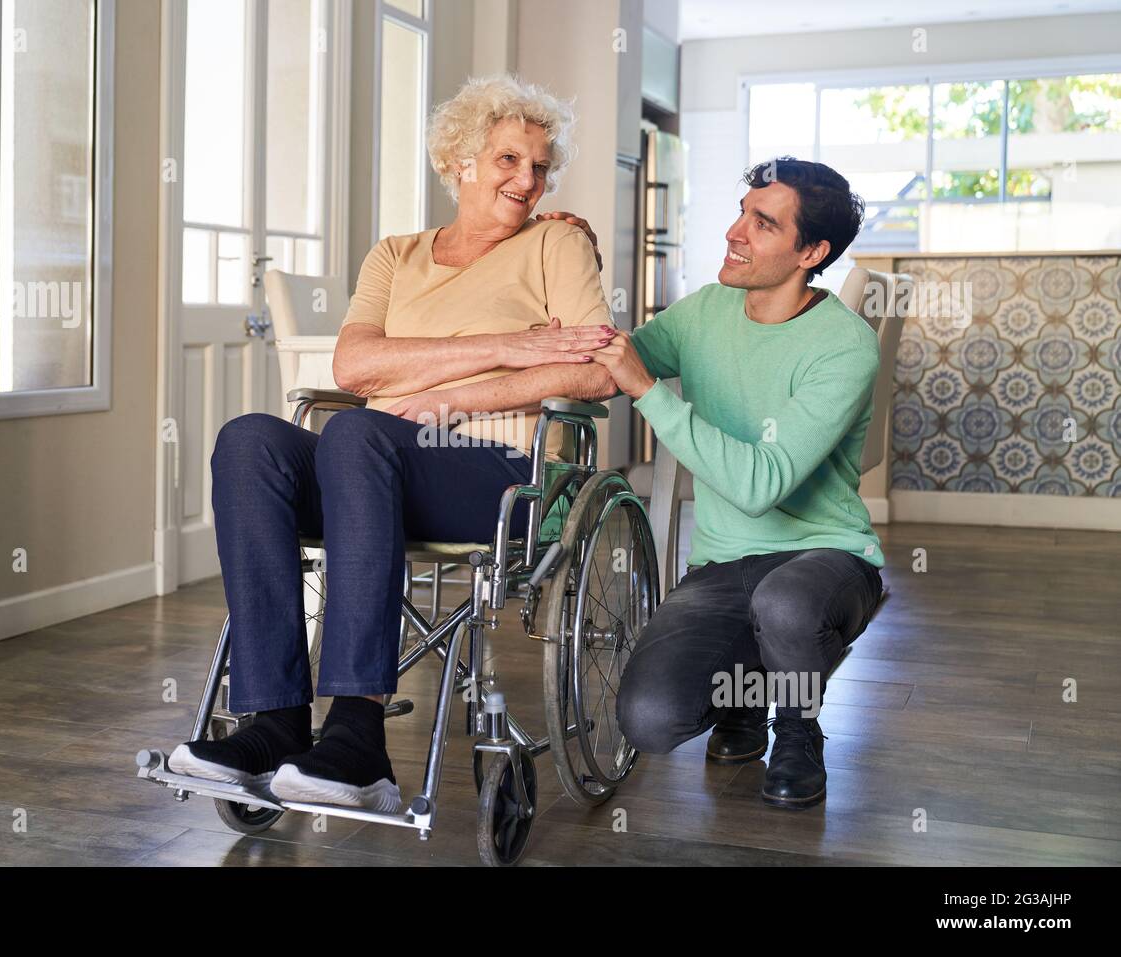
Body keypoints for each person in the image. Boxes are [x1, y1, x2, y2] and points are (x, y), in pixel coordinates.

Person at [167, 75, 609, 812]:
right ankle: (274, 720)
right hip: (370, 461)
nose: (527, 180)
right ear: (459, 162)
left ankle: (358, 733)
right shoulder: (396, 255)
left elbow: (594, 369)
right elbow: (354, 365)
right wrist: (514, 344)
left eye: (538, 165)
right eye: (507, 159)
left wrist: (447, 392)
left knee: (357, 430)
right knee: (250, 441)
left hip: (494, 471)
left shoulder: (557, 243)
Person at [486, 157, 885, 809]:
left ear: (811, 251)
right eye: (741, 212)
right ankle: (746, 691)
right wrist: (566, 255)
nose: (735, 231)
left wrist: (649, 391)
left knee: (786, 603)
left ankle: (796, 726)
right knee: (650, 717)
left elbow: (762, 484)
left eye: (763, 223)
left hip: (826, 556)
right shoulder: (708, 310)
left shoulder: (843, 346)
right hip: (725, 564)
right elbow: (611, 360)